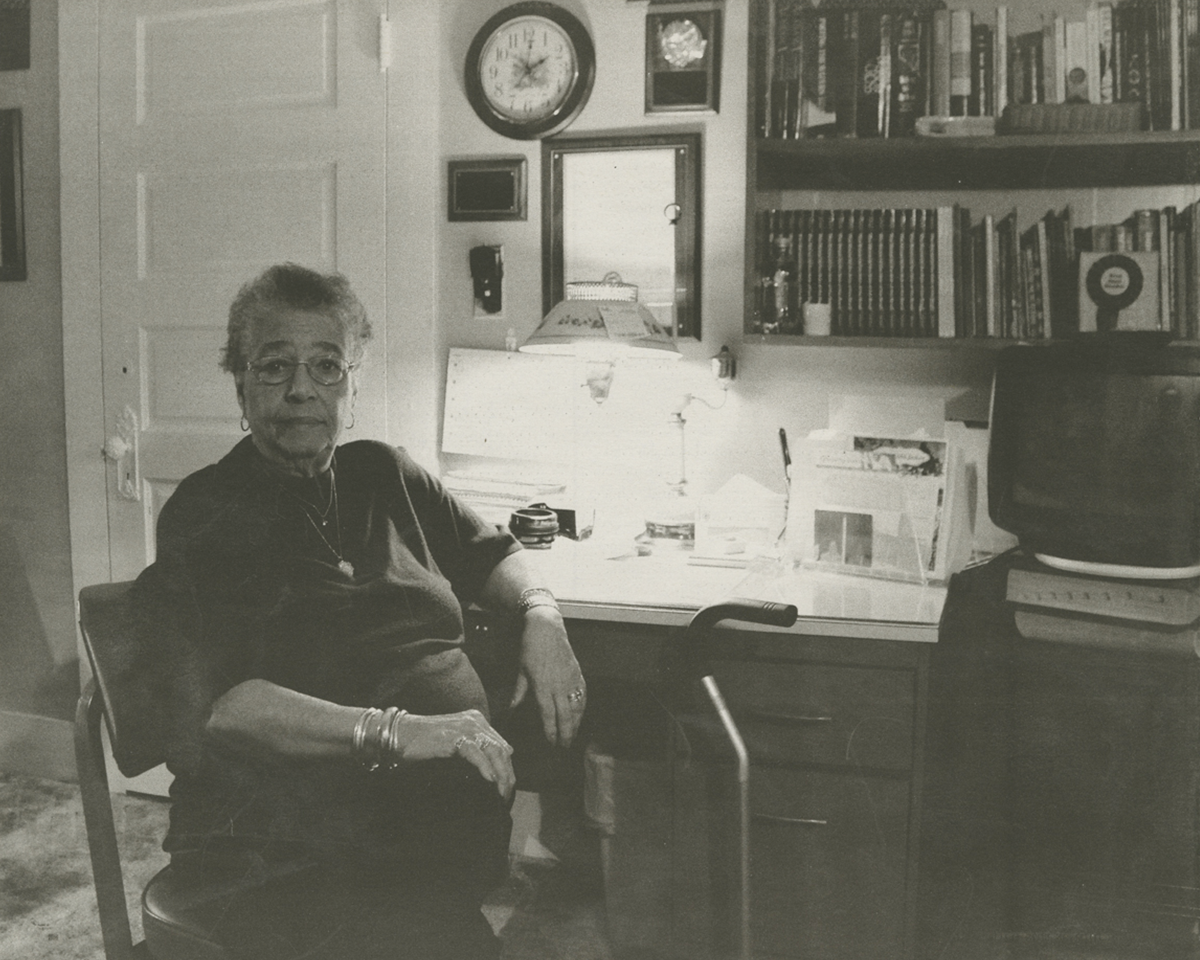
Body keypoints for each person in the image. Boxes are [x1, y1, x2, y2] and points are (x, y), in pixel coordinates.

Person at [131, 262, 586, 960]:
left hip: (416, 825)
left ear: (352, 384)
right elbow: (228, 708)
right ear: (240, 385)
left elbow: (493, 554)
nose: (301, 389)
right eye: (274, 367)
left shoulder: (383, 473)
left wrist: (543, 615)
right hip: (284, 829)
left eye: (326, 365)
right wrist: (406, 732)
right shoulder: (208, 510)